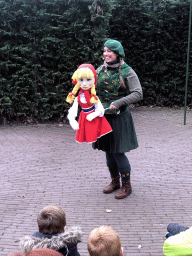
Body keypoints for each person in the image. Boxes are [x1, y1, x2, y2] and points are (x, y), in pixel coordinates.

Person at [93, 39, 143, 199]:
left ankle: (126, 186)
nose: (106, 54)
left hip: (120, 117)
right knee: (108, 150)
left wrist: (119, 102)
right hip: (103, 117)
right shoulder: (99, 69)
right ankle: (114, 182)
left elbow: (138, 93)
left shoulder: (127, 71)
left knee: (118, 152)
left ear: (117, 53)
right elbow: (91, 88)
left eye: (110, 51)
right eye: (104, 51)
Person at [66, 63, 112, 143]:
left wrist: (94, 114)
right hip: (83, 118)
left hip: (94, 119)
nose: (84, 84)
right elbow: (73, 109)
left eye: (88, 80)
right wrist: (72, 120)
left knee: (95, 136)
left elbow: (101, 110)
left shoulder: (93, 97)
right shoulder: (79, 97)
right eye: (81, 80)